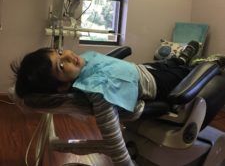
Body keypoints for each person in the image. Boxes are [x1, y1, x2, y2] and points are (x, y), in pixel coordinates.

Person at [11, 41, 200, 166]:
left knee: (170, 64)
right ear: (61, 87)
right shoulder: (98, 91)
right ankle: (195, 64)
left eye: (60, 52)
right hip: (156, 83)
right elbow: (113, 137)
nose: (68, 56)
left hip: (142, 69)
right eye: (61, 66)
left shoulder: (82, 64)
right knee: (188, 71)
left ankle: (179, 59)